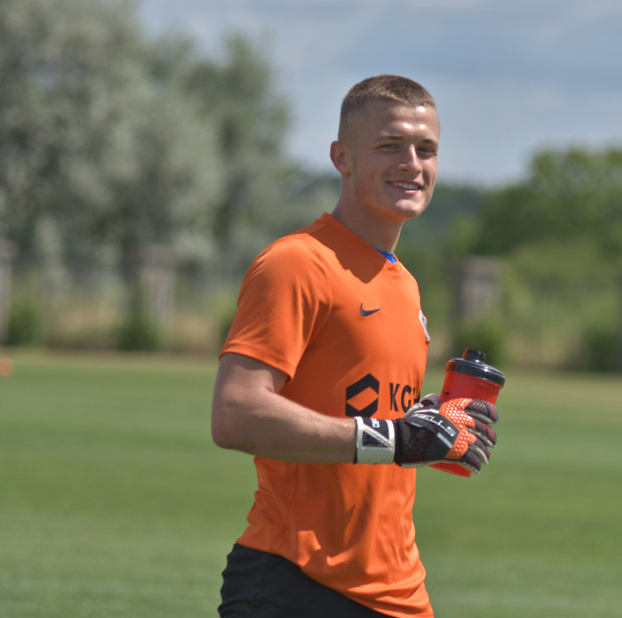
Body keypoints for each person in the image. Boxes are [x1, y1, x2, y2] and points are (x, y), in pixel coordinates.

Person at [211, 75, 499, 618]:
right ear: (341, 158)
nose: (412, 163)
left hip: (398, 591)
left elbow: (368, 411)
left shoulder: (404, 283)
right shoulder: (298, 262)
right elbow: (235, 414)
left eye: (426, 149)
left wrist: (427, 423)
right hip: (298, 581)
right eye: (390, 145)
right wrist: (395, 438)